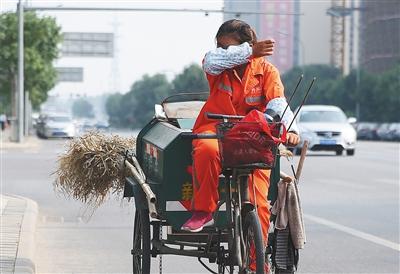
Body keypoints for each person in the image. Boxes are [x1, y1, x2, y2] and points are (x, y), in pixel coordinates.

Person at [181, 19, 300, 269]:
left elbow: (278, 103)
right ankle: (203, 210)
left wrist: (291, 130)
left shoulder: (266, 71)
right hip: (214, 130)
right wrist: (249, 50)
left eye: (228, 47)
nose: (223, 51)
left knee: (260, 204)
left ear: (247, 45)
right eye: (221, 46)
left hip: (251, 138)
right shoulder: (217, 65)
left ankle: (258, 264)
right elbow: (212, 60)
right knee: (205, 148)